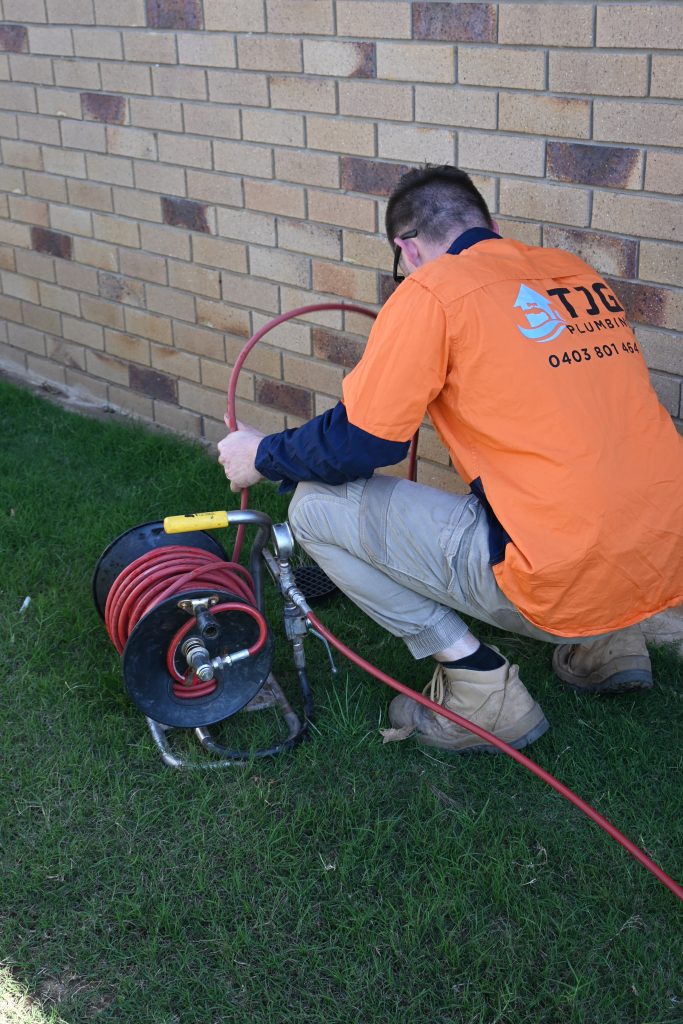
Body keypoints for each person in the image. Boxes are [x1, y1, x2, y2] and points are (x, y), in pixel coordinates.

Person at [218, 165, 683, 753]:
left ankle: (481, 690)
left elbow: (361, 444)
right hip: (660, 555)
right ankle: (611, 643)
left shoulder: (435, 291)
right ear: (486, 223)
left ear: (406, 247)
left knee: (312, 508)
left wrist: (262, 455)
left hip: (561, 575)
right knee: (579, 477)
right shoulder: (573, 275)